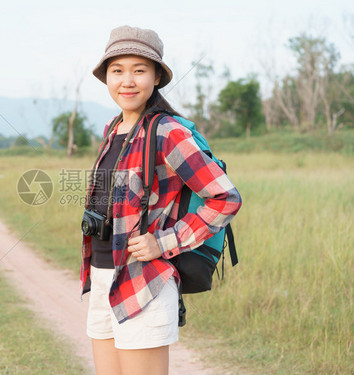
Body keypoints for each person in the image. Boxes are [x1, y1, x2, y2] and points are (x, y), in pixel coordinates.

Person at [80, 25, 242, 375]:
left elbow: (225, 198)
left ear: (156, 78)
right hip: (103, 277)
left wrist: (164, 242)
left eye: (139, 70)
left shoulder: (168, 131)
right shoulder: (112, 129)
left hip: (144, 282)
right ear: (106, 77)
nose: (127, 80)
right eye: (117, 70)